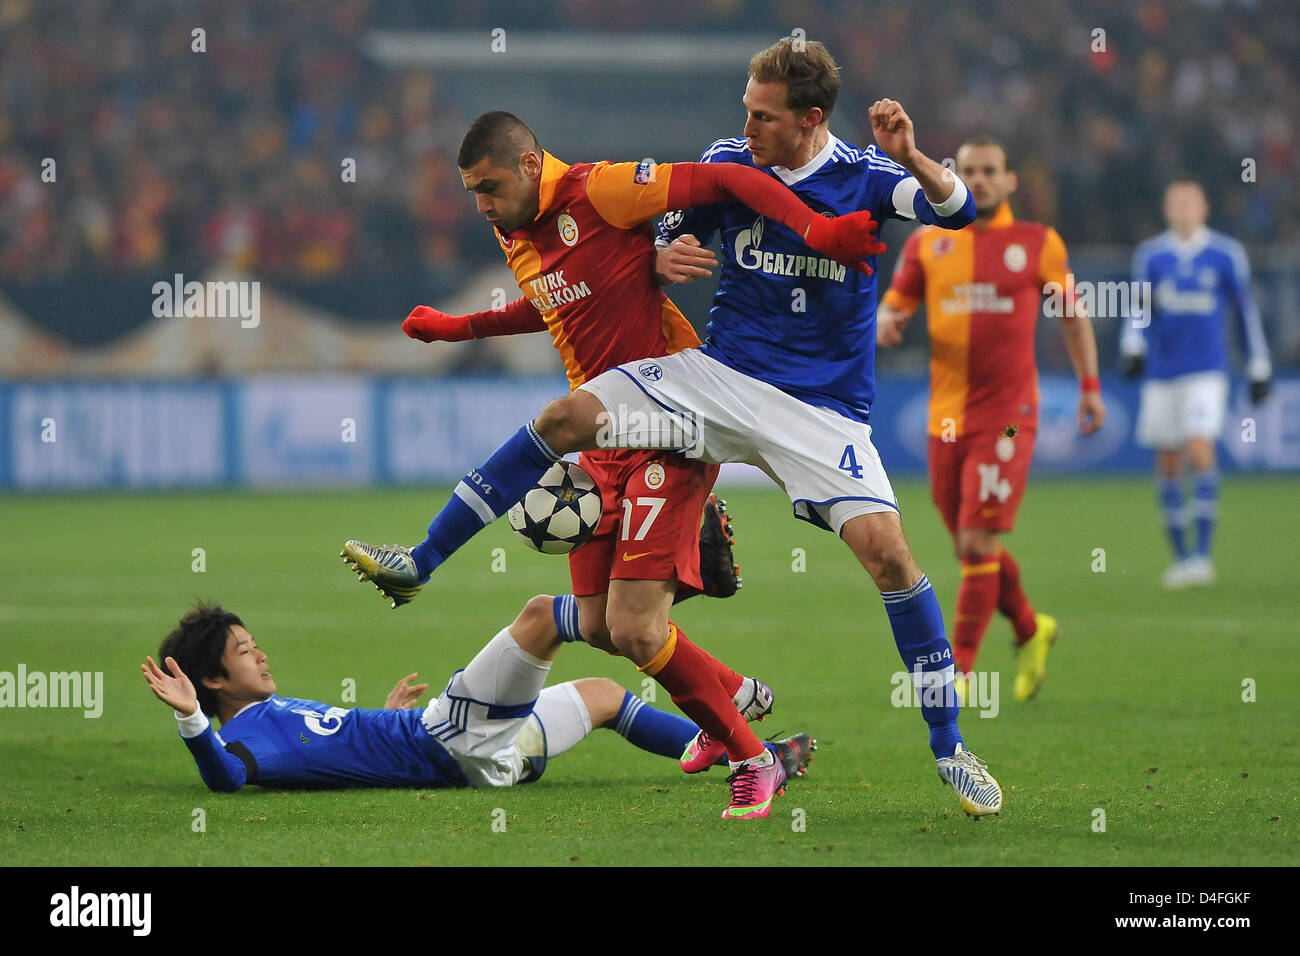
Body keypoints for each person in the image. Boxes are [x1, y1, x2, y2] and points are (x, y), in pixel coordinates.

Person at [348, 39, 1002, 817]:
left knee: (891, 559)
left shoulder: (868, 173)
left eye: (763, 115)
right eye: (745, 110)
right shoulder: (731, 157)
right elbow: (661, 231)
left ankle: (949, 747)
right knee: (566, 419)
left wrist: (917, 156)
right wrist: (664, 255)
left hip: (823, 412)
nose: (747, 126)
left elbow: (962, 212)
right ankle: (421, 558)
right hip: (719, 379)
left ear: (810, 118)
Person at [876, 136, 1105, 702]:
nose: (977, 180)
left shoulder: (1037, 244)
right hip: (945, 419)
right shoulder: (929, 243)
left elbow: (1073, 319)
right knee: (970, 546)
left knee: (978, 542)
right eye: (968, 171)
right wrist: (886, 321)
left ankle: (960, 671)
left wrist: (1091, 387)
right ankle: (1031, 629)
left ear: (1010, 182)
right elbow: (895, 304)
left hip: (1008, 418)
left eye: (989, 171)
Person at [142, 602, 814, 794]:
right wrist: (193, 721)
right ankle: (675, 643)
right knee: (542, 619)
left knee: (606, 695)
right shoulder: (244, 736)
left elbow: (334, 749)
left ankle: (744, 763)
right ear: (214, 683)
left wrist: (379, 725)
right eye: (242, 653)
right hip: (448, 741)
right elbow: (228, 779)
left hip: (476, 761)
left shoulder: (270, 716)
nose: (259, 653)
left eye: (254, 642)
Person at [1120, 179, 1272, 589]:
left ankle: (1203, 556)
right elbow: (1139, 307)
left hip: (1207, 371)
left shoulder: (1225, 254)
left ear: (1203, 207)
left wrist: (1259, 365)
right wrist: (1133, 346)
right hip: (1162, 374)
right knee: (1168, 463)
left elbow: (1245, 311)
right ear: (1168, 210)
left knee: (1199, 449)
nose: (1184, 210)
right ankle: (1181, 558)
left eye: (1191, 202)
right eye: (1176, 203)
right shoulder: (1152, 255)